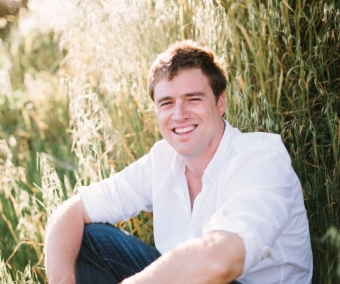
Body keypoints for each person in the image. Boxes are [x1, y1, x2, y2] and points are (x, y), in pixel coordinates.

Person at [45, 40, 313, 284]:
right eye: (167, 103)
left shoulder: (260, 157)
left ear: (220, 103)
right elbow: (70, 212)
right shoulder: (162, 160)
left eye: (193, 99)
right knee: (90, 239)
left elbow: (219, 262)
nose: (179, 114)